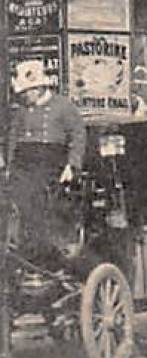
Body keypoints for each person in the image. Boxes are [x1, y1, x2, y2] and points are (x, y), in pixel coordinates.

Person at [5, 59, 87, 258]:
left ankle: (39, 248)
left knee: (36, 198)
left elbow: (78, 136)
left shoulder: (63, 106)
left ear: (41, 88)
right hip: (23, 161)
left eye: (28, 91)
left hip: (50, 161)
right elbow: (13, 139)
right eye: (23, 93)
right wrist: (8, 166)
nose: (25, 96)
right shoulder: (21, 110)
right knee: (11, 196)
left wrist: (72, 165)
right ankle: (16, 243)